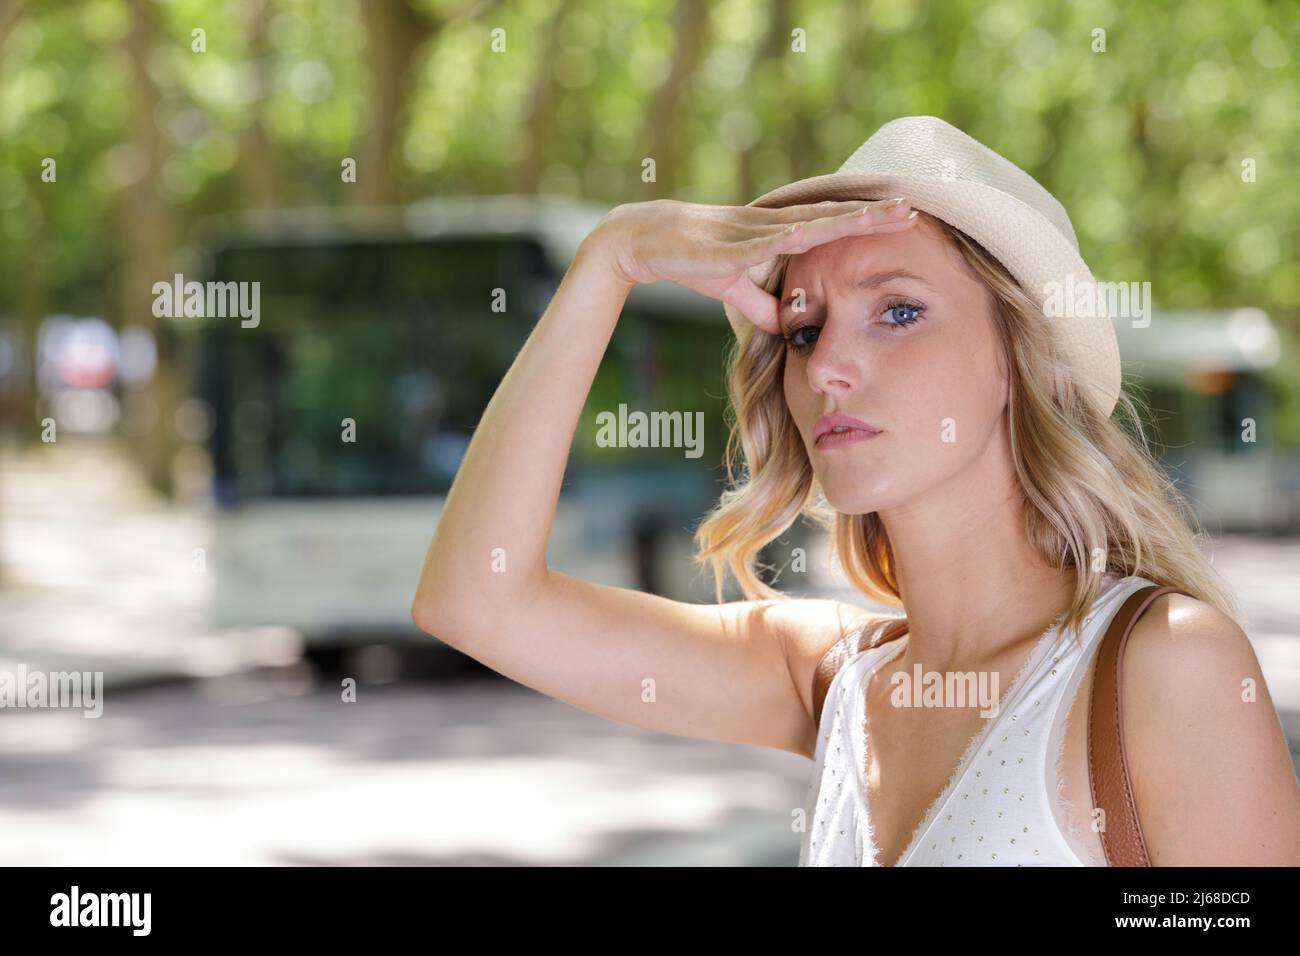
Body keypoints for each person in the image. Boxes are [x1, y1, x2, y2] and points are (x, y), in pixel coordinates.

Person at [412, 116, 1300, 866]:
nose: (829, 366)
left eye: (899, 311)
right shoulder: (833, 680)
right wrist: (608, 261)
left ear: (1018, 362)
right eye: (803, 330)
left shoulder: (1166, 665)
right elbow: (477, 599)